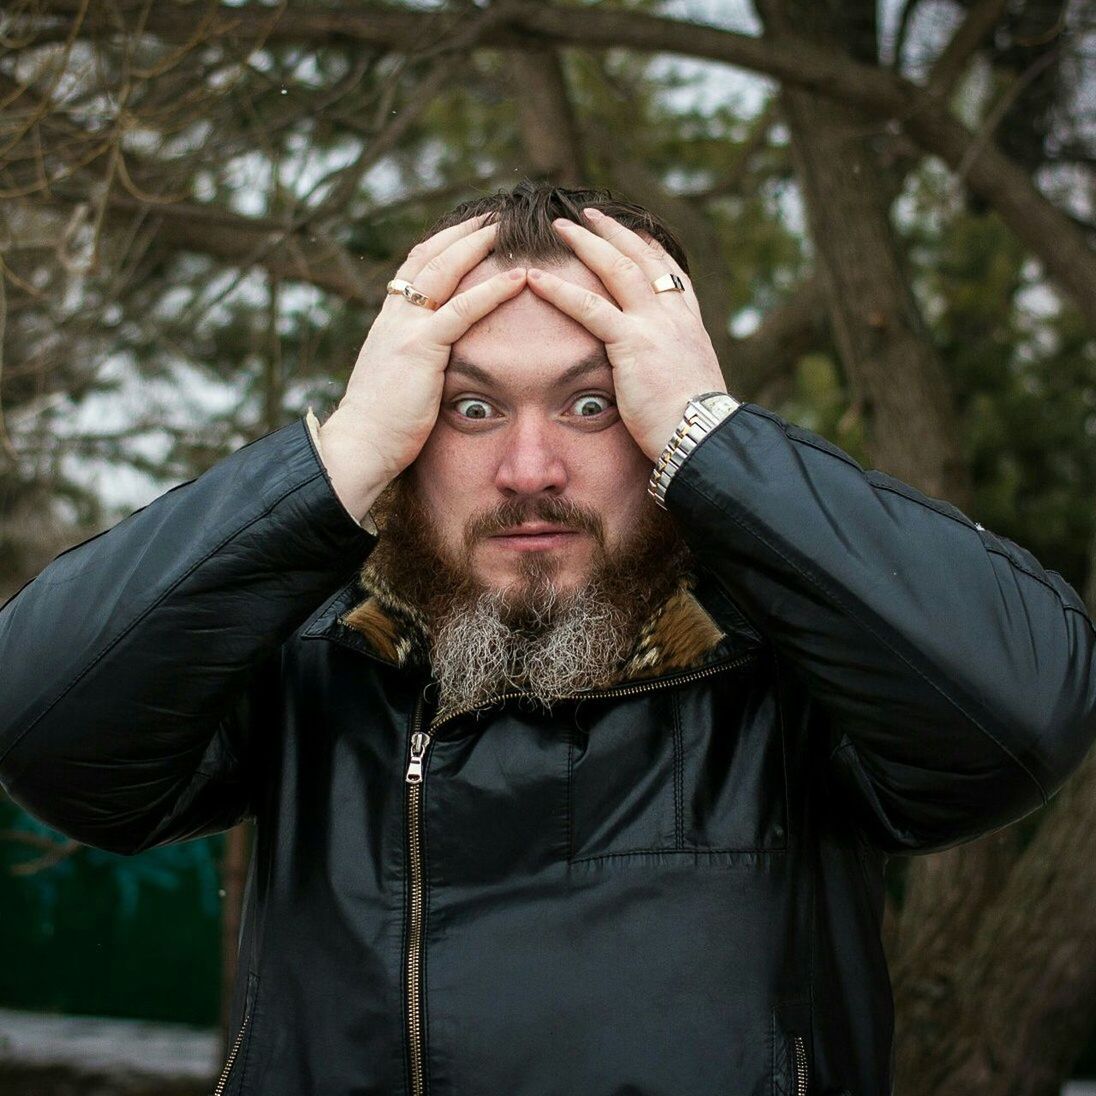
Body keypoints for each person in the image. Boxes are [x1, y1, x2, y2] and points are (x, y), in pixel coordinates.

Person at [0, 180, 1093, 1096]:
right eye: (471, 409)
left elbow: (1022, 713)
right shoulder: (312, 660)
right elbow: (40, 721)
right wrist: (331, 467)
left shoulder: (795, 670)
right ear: (410, 425)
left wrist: (721, 447)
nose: (530, 471)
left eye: (594, 403)